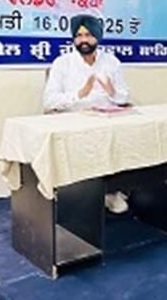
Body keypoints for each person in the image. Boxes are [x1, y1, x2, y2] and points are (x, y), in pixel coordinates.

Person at [43, 14, 131, 213]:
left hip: (108, 121)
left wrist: (112, 92)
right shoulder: (62, 63)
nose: (83, 40)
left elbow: (124, 97)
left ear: (97, 37)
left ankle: (112, 191)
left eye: (88, 35)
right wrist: (79, 94)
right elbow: (49, 101)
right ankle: (79, 195)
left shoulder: (111, 62)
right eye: (79, 35)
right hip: (75, 122)